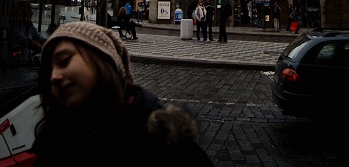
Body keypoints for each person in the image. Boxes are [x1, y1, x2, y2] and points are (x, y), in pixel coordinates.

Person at [31, 22, 213, 166]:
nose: (53, 77)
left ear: (101, 60)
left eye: (64, 60)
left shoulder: (163, 141)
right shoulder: (49, 143)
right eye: (48, 72)